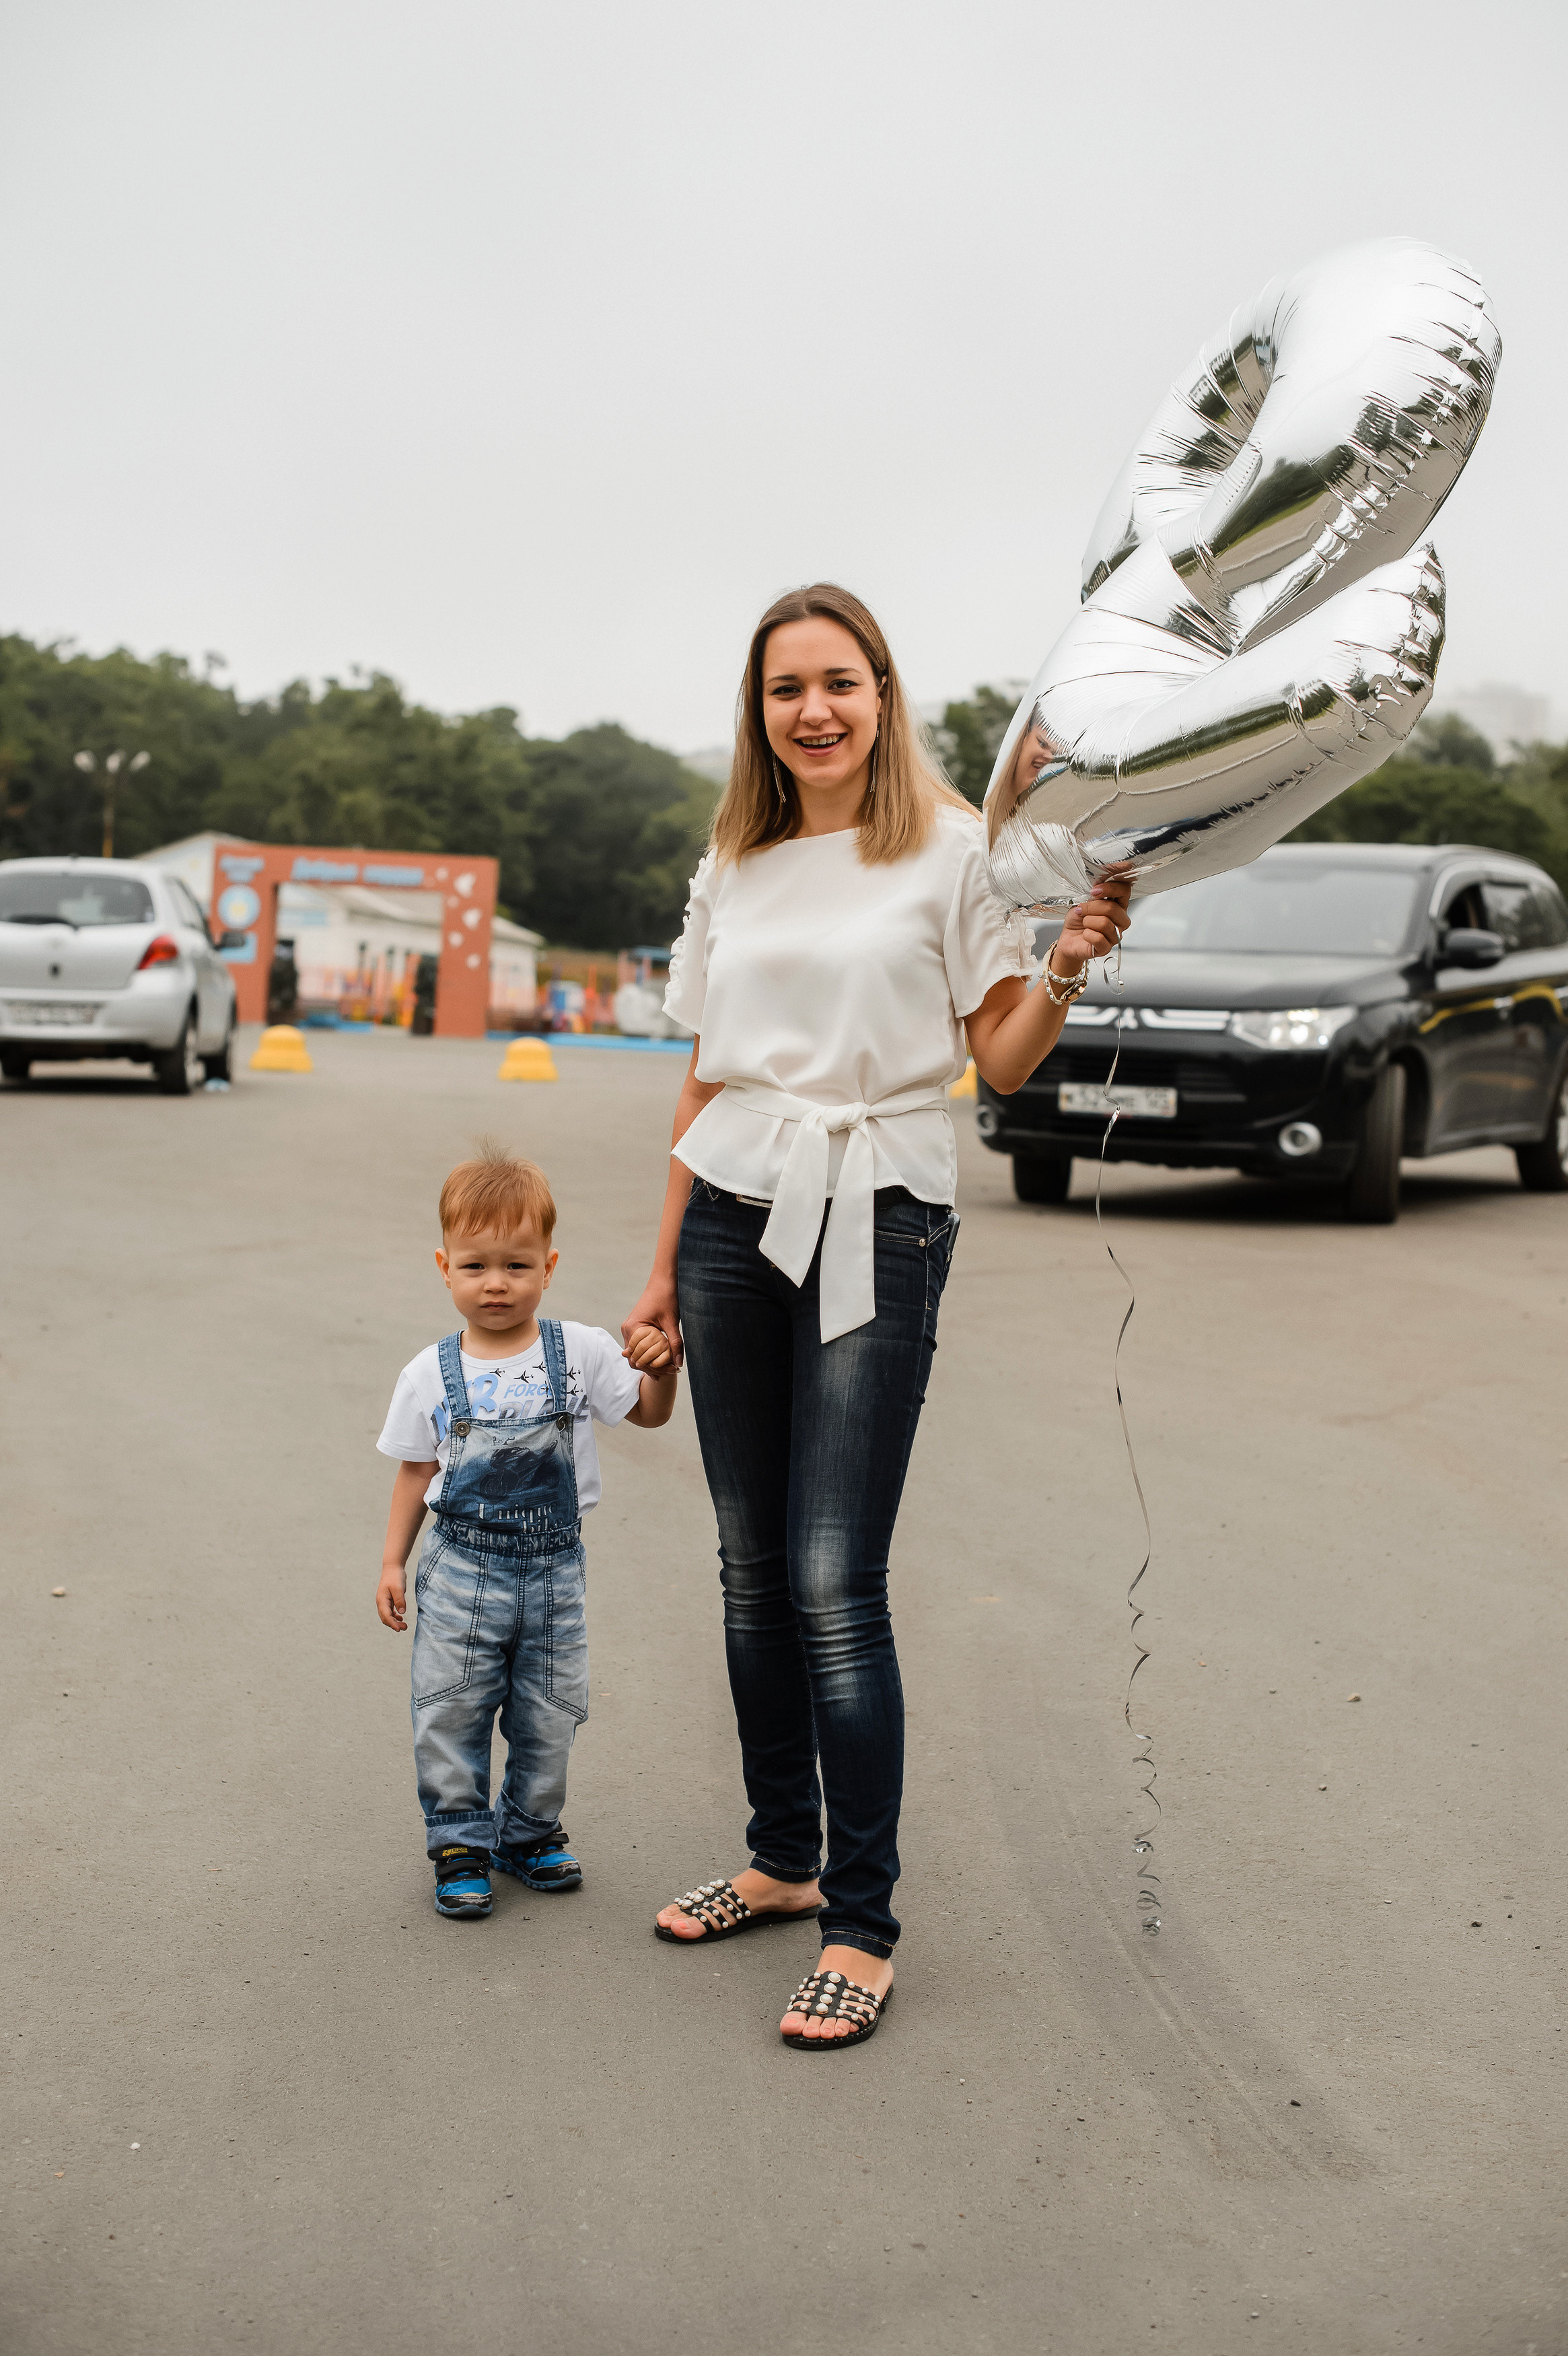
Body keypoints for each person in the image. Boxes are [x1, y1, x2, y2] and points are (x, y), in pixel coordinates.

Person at [623, 583, 1131, 2047]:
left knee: (834, 1577)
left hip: (882, 1211)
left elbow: (1002, 1061)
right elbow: (704, 1073)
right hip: (730, 1220)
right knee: (748, 1568)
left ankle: (860, 1921)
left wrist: (1064, 961)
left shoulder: (954, 848)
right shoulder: (737, 858)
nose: (815, 711)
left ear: (883, 693)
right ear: (760, 711)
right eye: (786, 689)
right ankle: (781, 1860)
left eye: (838, 682)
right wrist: (659, 1270)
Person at [376, 1142, 676, 1919]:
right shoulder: (427, 1372)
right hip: (459, 1573)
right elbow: (415, 1470)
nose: (496, 1282)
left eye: (516, 1264)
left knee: (549, 1709)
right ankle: (458, 1842)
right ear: (444, 1267)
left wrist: (663, 1368)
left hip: (553, 1577)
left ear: (549, 1265)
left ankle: (528, 1830)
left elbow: (647, 1413)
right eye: (475, 1265)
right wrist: (391, 1562)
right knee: (450, 1707)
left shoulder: (580, 1352)